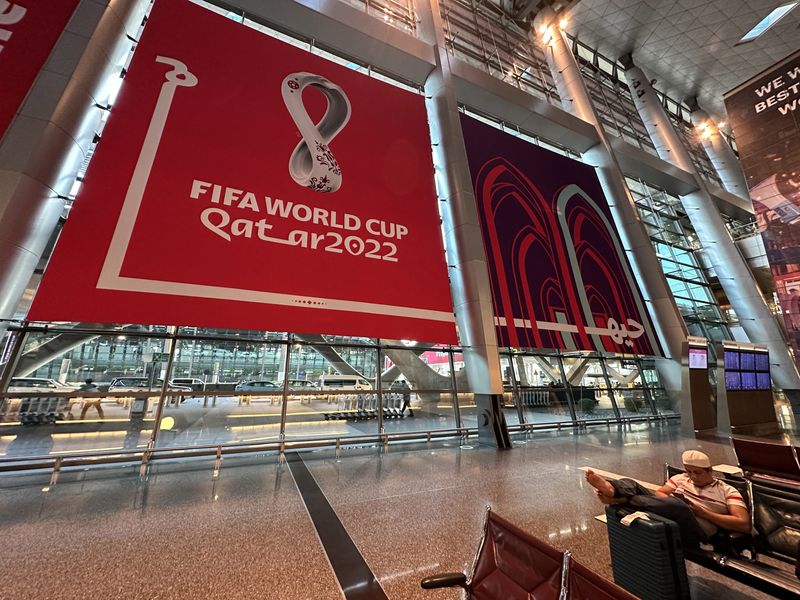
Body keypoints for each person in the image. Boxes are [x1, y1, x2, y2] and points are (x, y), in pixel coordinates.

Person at [585, 450, 750, 550]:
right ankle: (613, 490)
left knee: (677, 505)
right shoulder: (681, 478)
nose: (692, 477)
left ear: (710, 471)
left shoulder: (726, 490)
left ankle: (619, 498)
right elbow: (660, 494)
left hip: (697, 526)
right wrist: (673, 499)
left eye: (698, 473)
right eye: (688, 471)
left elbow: (743, 523)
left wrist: (704, 513)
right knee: (631, 483)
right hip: (671, 513)